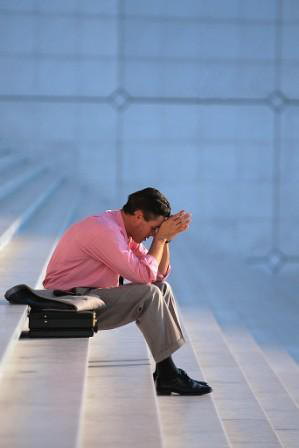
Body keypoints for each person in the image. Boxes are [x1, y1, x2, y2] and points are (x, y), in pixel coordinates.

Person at [43, 187, 212, 396]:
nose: (152, 235)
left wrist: (164, 239)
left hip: (90, 296)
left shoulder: (125, 229)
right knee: (148, 294)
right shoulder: (106, 230)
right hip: (71, 302)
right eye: (153, 229)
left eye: (157, 231)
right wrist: (160, 240)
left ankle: (165, 371)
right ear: (139, 216)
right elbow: (143, 276)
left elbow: (157, 275)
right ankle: (169, 375)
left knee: (161, 288)